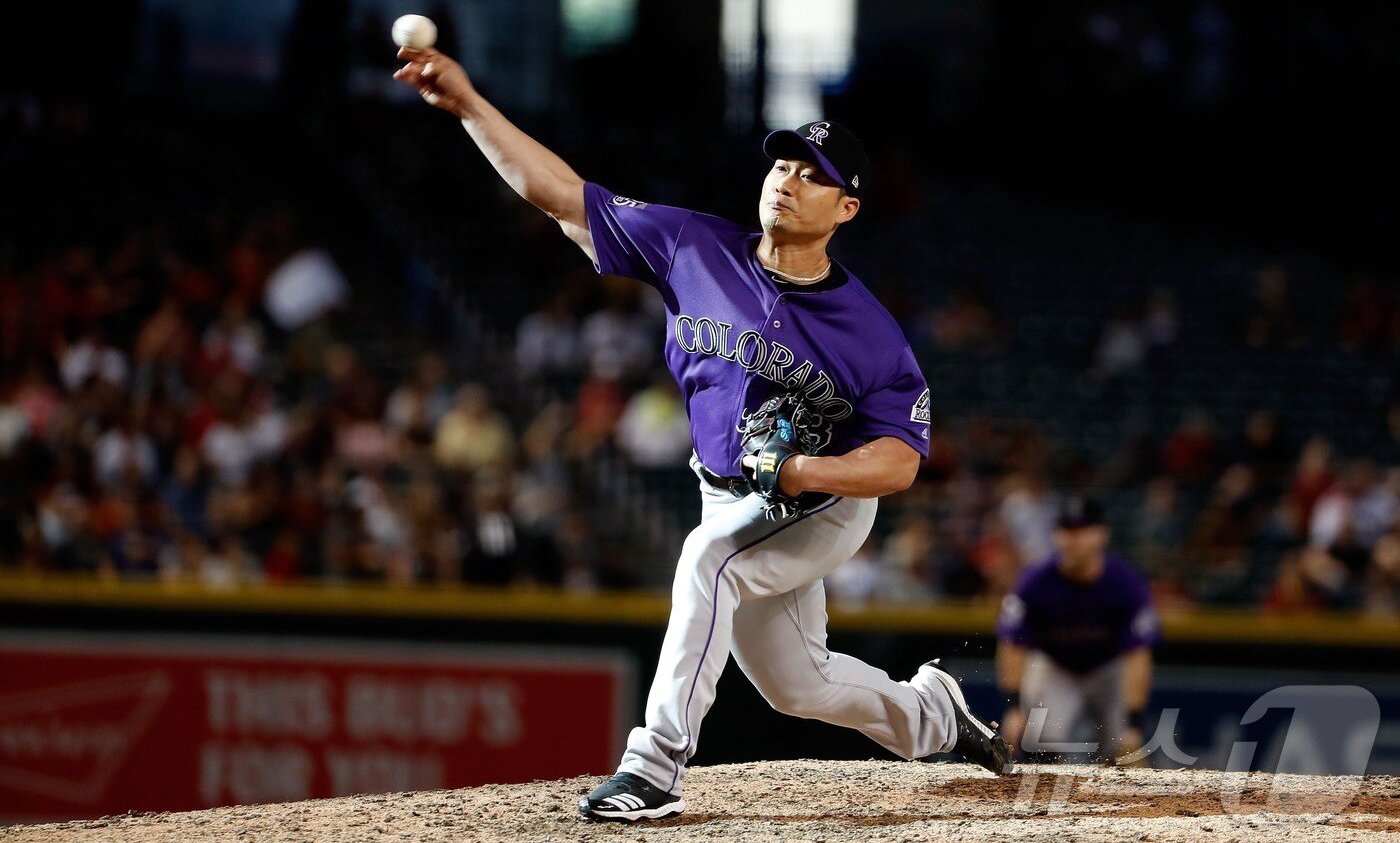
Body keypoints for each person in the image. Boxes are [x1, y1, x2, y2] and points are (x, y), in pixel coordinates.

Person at [393, 44, 1010, 822]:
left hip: (821, 505)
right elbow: (559, 195)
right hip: (727, 487)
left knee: (708, 558)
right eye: (783, 164)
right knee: (799, 685)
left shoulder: (872, 334)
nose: (789, 179)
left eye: (814, 174)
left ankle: (653, 767)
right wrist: (467, 105)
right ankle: (936, 714)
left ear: (846, 208)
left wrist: (804, 474)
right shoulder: (695, 245)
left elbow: (897, 463)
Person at [995, 496, 1158, 764]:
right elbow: (1012, 643)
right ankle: (1042, 803)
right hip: (1056, 667)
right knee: (1038, 740)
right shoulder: (1035, 581)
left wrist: (1134, 723)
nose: (1073, 539)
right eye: (1066, 531)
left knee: (1128, 751)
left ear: (1101, 535)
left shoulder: (1125, 583)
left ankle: (1129, 805)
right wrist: (1013, 707)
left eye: (1081, 531)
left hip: (1109, 668)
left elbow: (1137, 655)